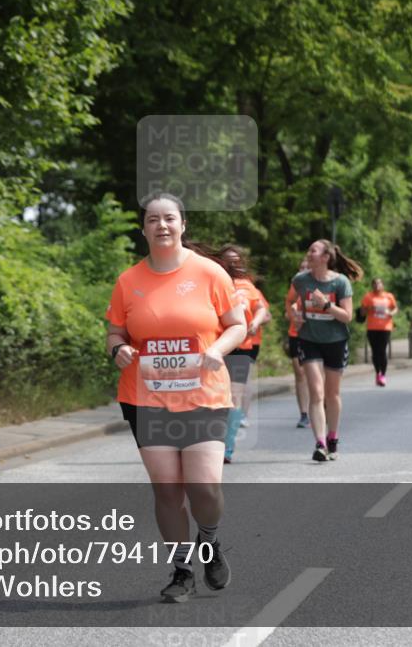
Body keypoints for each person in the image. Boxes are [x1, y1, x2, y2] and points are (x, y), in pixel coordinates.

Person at [105, 193, 246, 602]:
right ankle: (182, 571)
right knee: (167, 491)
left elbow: (236, 325)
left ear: (183, 224)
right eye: (153, 219)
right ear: (143, 228)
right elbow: (114, 332)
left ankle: (210, 541)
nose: (161, 225)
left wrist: (216, 350)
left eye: (169, 218)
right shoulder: (128, 281)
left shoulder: (209, 273)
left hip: (203, 394)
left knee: (204, 488)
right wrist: (119, 349)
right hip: (147, 398)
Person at [291, 240, 363, 462]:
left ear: (325, 257)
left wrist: (326, 305)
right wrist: (295, 315)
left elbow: (347, 316)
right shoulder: (300, 280)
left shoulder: (340, 282)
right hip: (309, 340)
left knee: (332, 394)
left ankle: (332, 438)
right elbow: (292, 303)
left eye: (313, 250)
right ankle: (320, 443)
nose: (308, 253)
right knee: (316, 391)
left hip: (335, 341)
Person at [217, 245, 269, 462]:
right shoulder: (212, 281)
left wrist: (255, 322)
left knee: (234, 396)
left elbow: (261, 308)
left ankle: (227, 448)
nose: (232, 264)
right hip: (216, 346)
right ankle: (212, 442)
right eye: (228, 260)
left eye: (236, 260)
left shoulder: (247, 285)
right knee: (216, 396)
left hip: (242, 347)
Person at [285, 258, 310, 428]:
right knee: (300, 374)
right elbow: (287, 313)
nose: (303, 269)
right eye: (301, 267)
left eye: (306, 267)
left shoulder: (319, 285)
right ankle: (304, 414)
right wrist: (293, 313)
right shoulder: (295, 287)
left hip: (315, 336)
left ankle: (320, 404)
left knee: (315, 374)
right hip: (295, 334)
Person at [360, 278, 398, 386]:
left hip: (385, 327)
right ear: (372, 285)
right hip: (372, 327)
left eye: (379, 284)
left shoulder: (389, 296)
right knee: (375, 352)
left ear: (382, 285)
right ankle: (378, 372)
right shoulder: (368, 297)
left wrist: (391, 313)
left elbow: (395, 309)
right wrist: (369, 308)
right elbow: (362, 313)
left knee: (382, 351)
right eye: (375, 284)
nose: (377, 286)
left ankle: (383, 375)